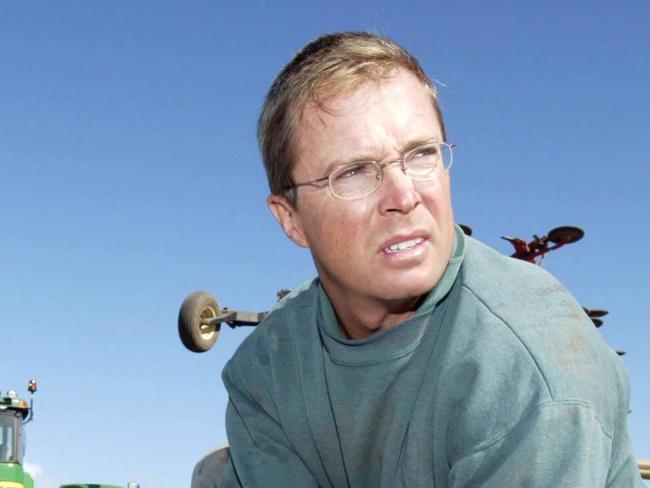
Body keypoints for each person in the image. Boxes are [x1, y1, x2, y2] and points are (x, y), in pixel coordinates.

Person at [193, 32, 643, 487]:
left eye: (421, 154)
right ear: (291, 219)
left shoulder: (528, 369)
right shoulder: (267, 370)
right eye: (353, 172)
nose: (405, 196)